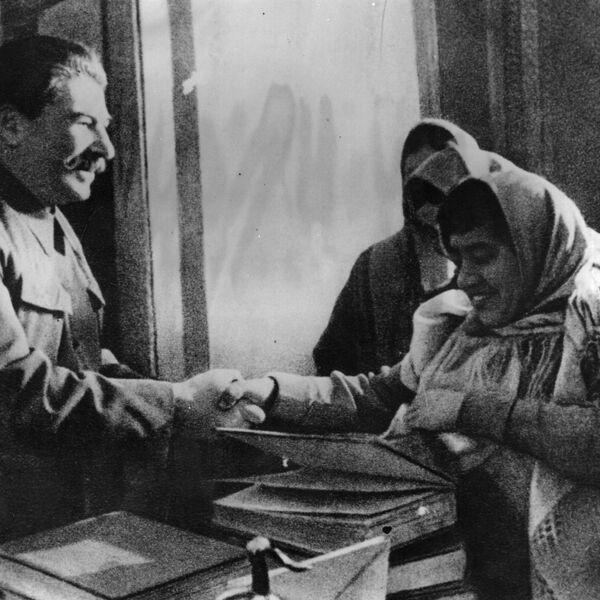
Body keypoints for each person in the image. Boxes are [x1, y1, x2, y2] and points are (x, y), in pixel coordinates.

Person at [228, 156, 600, 599]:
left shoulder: (590, 322)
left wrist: (474, 410)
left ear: (539, 245)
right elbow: (378, 396)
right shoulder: (466, 328)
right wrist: (272, 392)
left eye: (482, 256)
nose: (466, 279)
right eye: (457, 259)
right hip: (473, 574)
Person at [0, 35, 259, 541]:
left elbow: (82, 361)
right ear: (11, 127)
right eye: (84, 123)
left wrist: (189, 403)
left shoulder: (53, 221)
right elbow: (15, 392)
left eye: (106, 126)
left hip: (66, 522)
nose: (107, 149)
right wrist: (175, 404)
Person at [312, 118, 486, 376]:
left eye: (438, 175)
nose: (424, 189)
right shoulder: (375, 264)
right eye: (414, 177)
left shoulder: (491, 259)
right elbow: (333, 359)